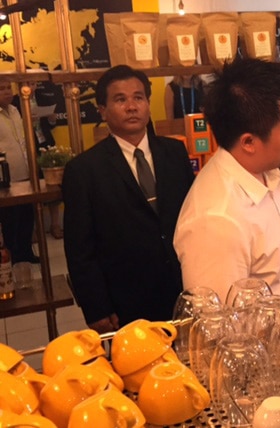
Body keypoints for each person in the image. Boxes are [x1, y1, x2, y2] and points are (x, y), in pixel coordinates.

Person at [62, 65, 194, 333]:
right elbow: (79, 249)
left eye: (138, 97)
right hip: (126, 299)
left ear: (147, 103)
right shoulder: (84, 170)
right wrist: (96, 307)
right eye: (120, 99)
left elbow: (193, 219)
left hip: (182, 288)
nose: (131, 106)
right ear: (103, 110)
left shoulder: (175, 152)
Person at [174, 58, 280, 307]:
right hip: (264, 345)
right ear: (248, 142)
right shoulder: (216, 219)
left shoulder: (267, 170)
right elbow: (218, 326)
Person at [12, 81, 63, 239]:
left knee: (52, 186)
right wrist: (26, 121)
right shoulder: (14, 102)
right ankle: (33, 229)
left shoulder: (43, 97)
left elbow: (52, 124)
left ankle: (55, 225)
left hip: (45, 144)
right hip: (27, 146)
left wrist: (52, 118)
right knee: (31, 188)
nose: (31, 88)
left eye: (33, 84)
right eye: (27, 84)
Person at [0, 80, 38, 264]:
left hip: (24, 171)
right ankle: (12, 256)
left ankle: (26, 253)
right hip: (6, 176)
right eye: (2, 89)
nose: (7, 92)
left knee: (26, 215)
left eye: (8, 88)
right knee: (9, 219)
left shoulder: (15, 110)